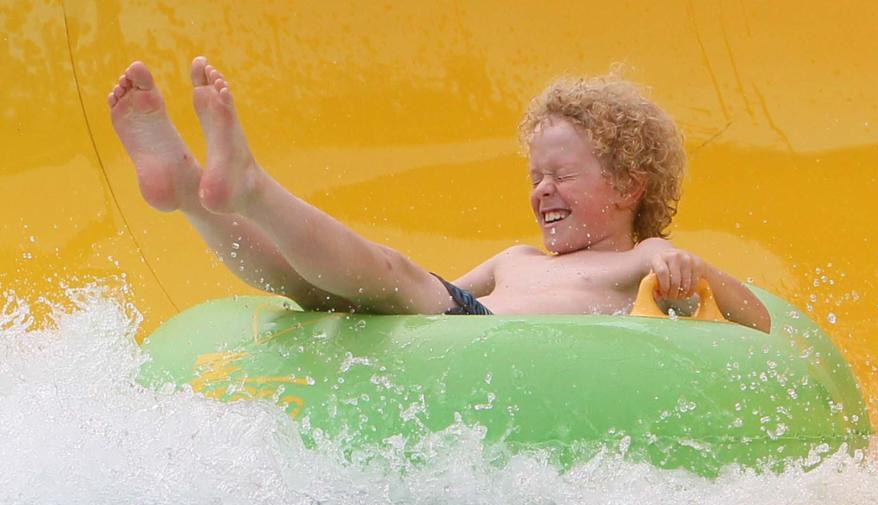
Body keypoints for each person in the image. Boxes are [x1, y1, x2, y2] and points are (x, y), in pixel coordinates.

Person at [108, 58, 771, 331]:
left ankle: (244, 187)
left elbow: (757, 323)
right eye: (535, 177)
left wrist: (691, 280)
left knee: (391, 272)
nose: (543, 191)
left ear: (630, 186)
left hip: (480, 336)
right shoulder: (517, 259)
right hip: (454, 328)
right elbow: (426, 296)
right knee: (319, 289)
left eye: (562, 177)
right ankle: (194, 192)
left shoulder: (642, 258)